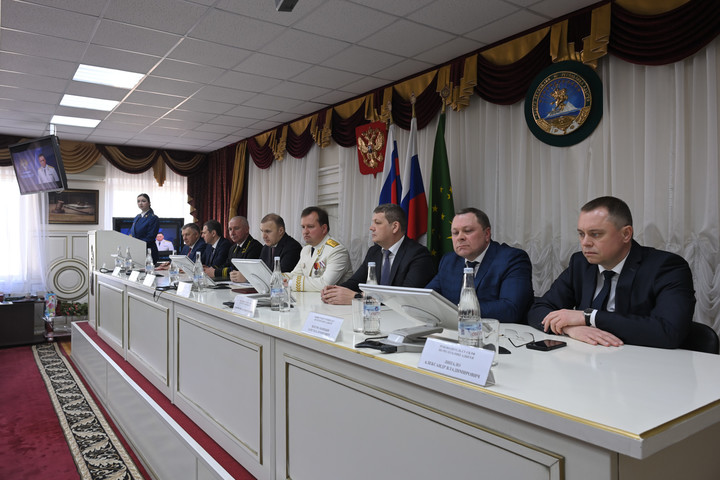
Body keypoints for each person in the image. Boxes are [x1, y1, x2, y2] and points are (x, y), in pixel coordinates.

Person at [528, 196, 696, 349]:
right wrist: (569, 328)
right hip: (587, 359)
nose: (585, 243)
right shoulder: (580, 263)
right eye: (581, 234)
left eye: (595, 234)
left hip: (643, 364)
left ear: (626, 234)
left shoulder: (666, 267)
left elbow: (669, 332)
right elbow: (538, 309)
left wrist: (588, 317)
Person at [425, 207, 534, 324]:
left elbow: (510, 309)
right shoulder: (449, 261)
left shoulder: (512, 259)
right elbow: (427, 298)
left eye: (467, 231)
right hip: (454, 331)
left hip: (498, 332)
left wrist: (457, 311)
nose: (460, 237)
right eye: (455, 233)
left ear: (486, 234)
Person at [321, 203, 436, 305]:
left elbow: (406, 298)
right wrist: (332, 291)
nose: (371, 228)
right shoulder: (374, 251)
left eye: (377, 223)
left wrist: (357, 297)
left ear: (395, 227)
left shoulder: (418, 255)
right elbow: (356, 282)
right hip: (375, 315)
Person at [284, 206, 352, 292]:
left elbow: (325, 284)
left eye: (310, 226)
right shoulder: (306, 250)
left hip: (331, 300)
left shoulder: (337, 251)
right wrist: (278, 277)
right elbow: (295, 274)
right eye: (303, 227)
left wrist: (290, 283)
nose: (305, 231)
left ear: (324, 229)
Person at [212, 216, 263, 280]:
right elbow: (227, 265)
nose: (232, 233)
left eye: (236, 228)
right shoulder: (233, 248)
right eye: (230, 229)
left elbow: (240, 270)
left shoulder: (255, 247)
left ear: (247, 229)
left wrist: (216, 272)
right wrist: (211, 269)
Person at [129, 193, 160, 263]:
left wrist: (137, 243)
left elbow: (150, 237)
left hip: (148, 251)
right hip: (137, 250)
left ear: (149, 203)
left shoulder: (153, 218)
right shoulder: (137, 217)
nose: (140, 203)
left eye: (143, 201)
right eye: (138, 201)